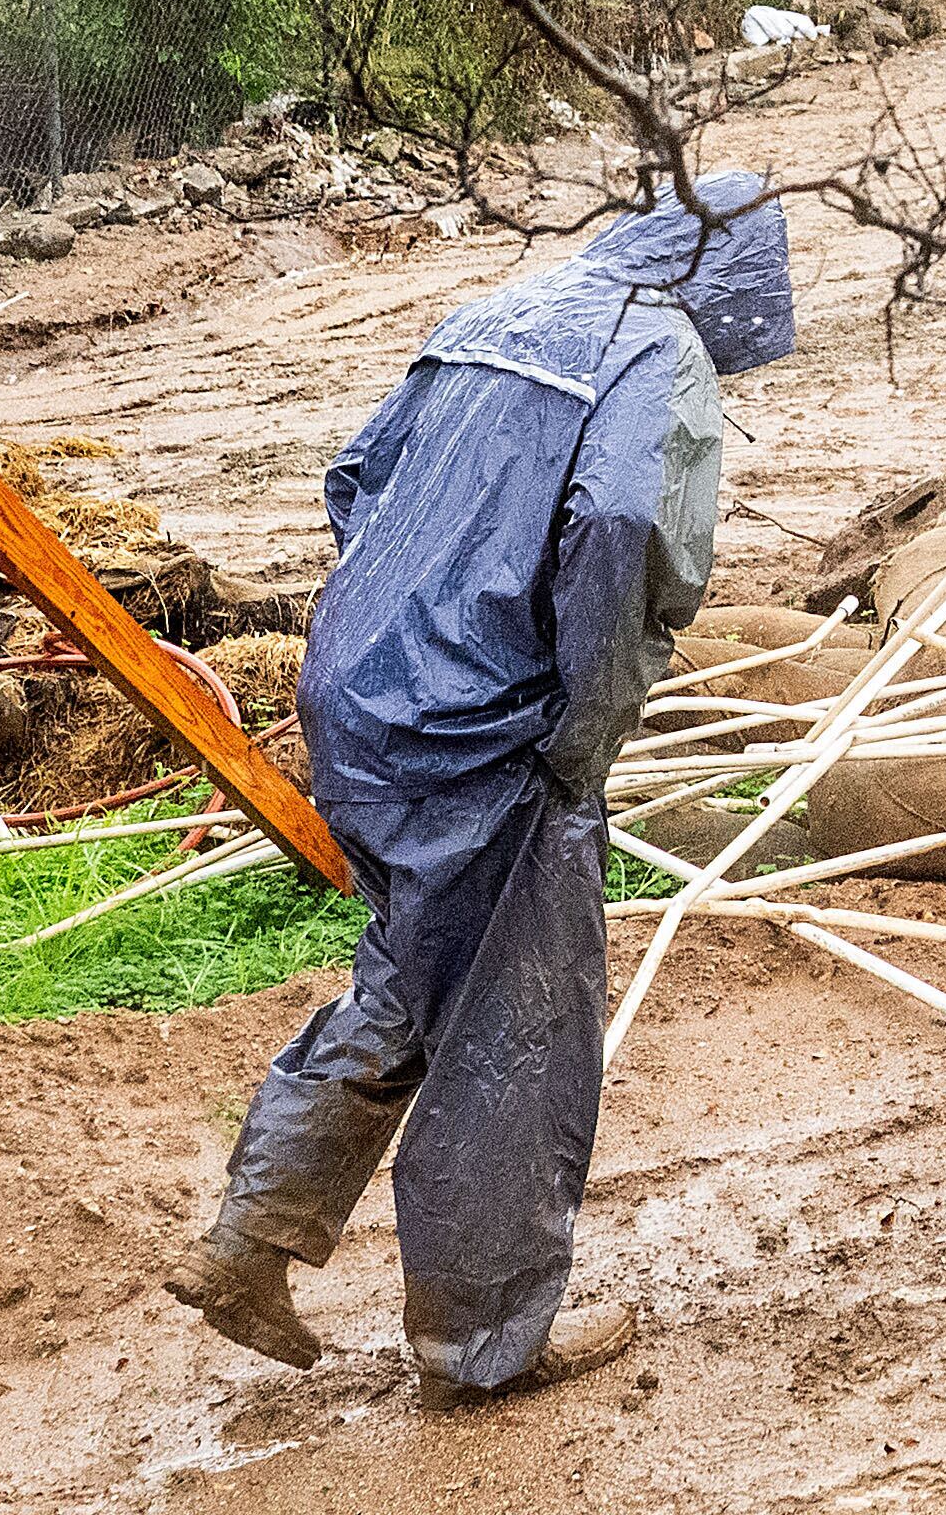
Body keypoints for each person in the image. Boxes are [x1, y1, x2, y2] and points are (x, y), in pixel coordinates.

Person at [172, 183, 795, 1397]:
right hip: (482, 732)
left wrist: (409, 615)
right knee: (516, 1022)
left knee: (412, 972)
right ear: (725, 289)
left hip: (360, 698)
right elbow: (623, 526)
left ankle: (250, 1238)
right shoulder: (656, 352)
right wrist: (585, 721)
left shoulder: (503, 311)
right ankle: (482, 1343)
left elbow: (356, 480)